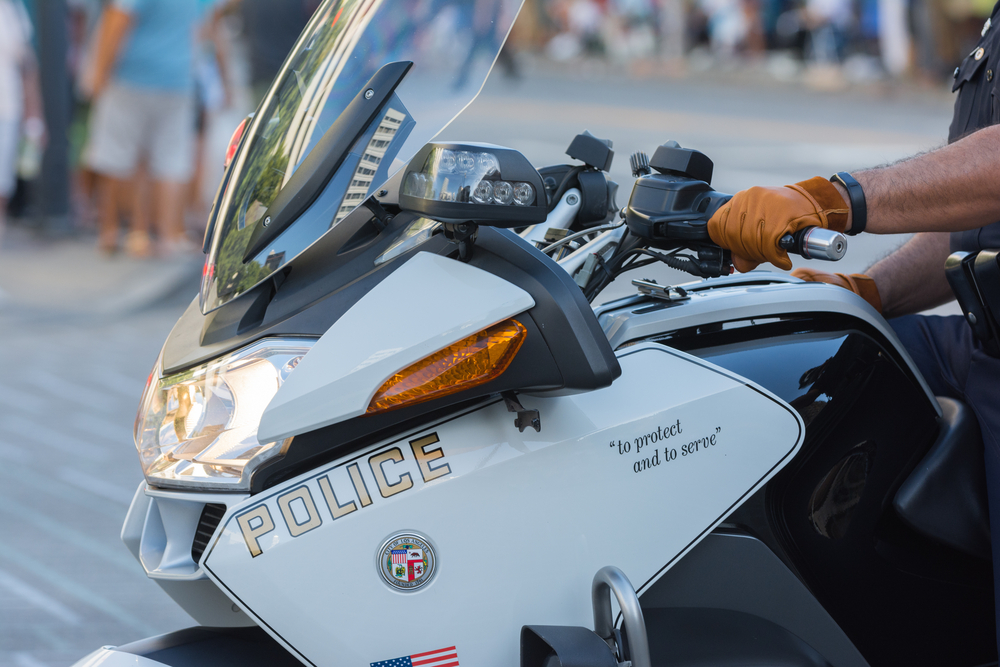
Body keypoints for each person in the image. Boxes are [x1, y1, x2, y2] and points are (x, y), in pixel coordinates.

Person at [705, 2, 1000, 652]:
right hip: (978, 339)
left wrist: (834, 199)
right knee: (787, 368)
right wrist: (868, 293)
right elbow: (970, 212)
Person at [84, 0, 209, 256]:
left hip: (132, 77)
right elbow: (203, 26)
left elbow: (117, 21)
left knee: (115, 155)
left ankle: (109, 231)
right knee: (171, 161)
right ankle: (167, 236)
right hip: (177, 79)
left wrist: (99, 73)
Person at [0, 0, 44, 250]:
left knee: (3, 189)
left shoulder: (11, 9)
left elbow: (28, 64)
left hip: (7, 111)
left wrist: (35, 116)